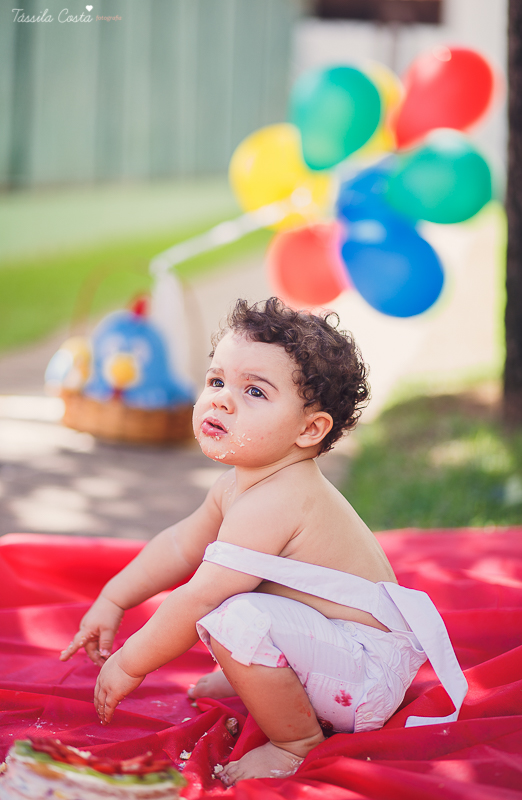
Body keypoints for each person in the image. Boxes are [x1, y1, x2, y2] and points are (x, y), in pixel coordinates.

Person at [60, 298, 466, 785]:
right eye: (216, 381)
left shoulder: (280, 500)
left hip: (363, 676)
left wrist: (130, 663)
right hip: (336, 654)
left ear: (309, 429)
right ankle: (267, 682)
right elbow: (177, 547)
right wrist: (114, 598)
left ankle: (294, 743)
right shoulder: (239, 484)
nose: (222, 399)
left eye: (254, 391)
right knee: (233, 598)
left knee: (231, 613)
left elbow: (198, 597)